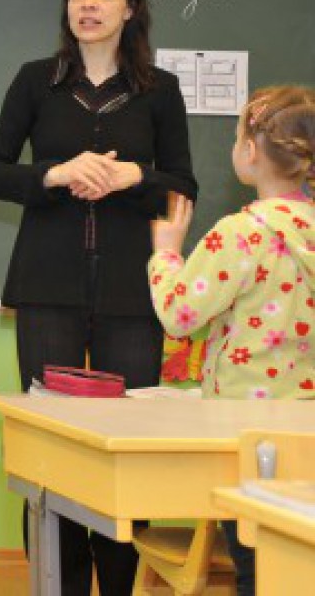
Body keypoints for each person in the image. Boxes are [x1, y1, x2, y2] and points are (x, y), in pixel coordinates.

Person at [0, 0, 198, 595]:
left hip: (132, 291)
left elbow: (183, 186)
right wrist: (55, 173)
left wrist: (135, 176)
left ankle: (120, 586)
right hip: (48, 285)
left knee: (125, 451)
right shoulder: (35, 81)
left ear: (131, 8)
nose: (88, 6)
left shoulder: (160, 90)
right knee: (53, 449)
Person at [149, 84, 315, 596]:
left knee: (254, 565)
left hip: (246, 431)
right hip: (308, 429)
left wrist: (166, 254)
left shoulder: (241, 232)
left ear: (250, 151)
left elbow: (179, 314)